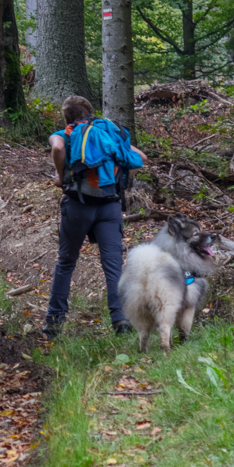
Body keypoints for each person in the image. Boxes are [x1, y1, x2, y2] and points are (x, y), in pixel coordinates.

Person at [42, 96, 147, 338]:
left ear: (67, 117)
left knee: (66, 262)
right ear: (91, 112)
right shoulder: (109, 131)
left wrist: (61, 177)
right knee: (112, 265)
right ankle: (121, 320)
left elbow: (57, 148)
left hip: (78, 205)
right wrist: (117, 178)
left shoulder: (65, 134)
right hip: (110, 206)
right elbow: (140, 158)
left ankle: (54, 323)